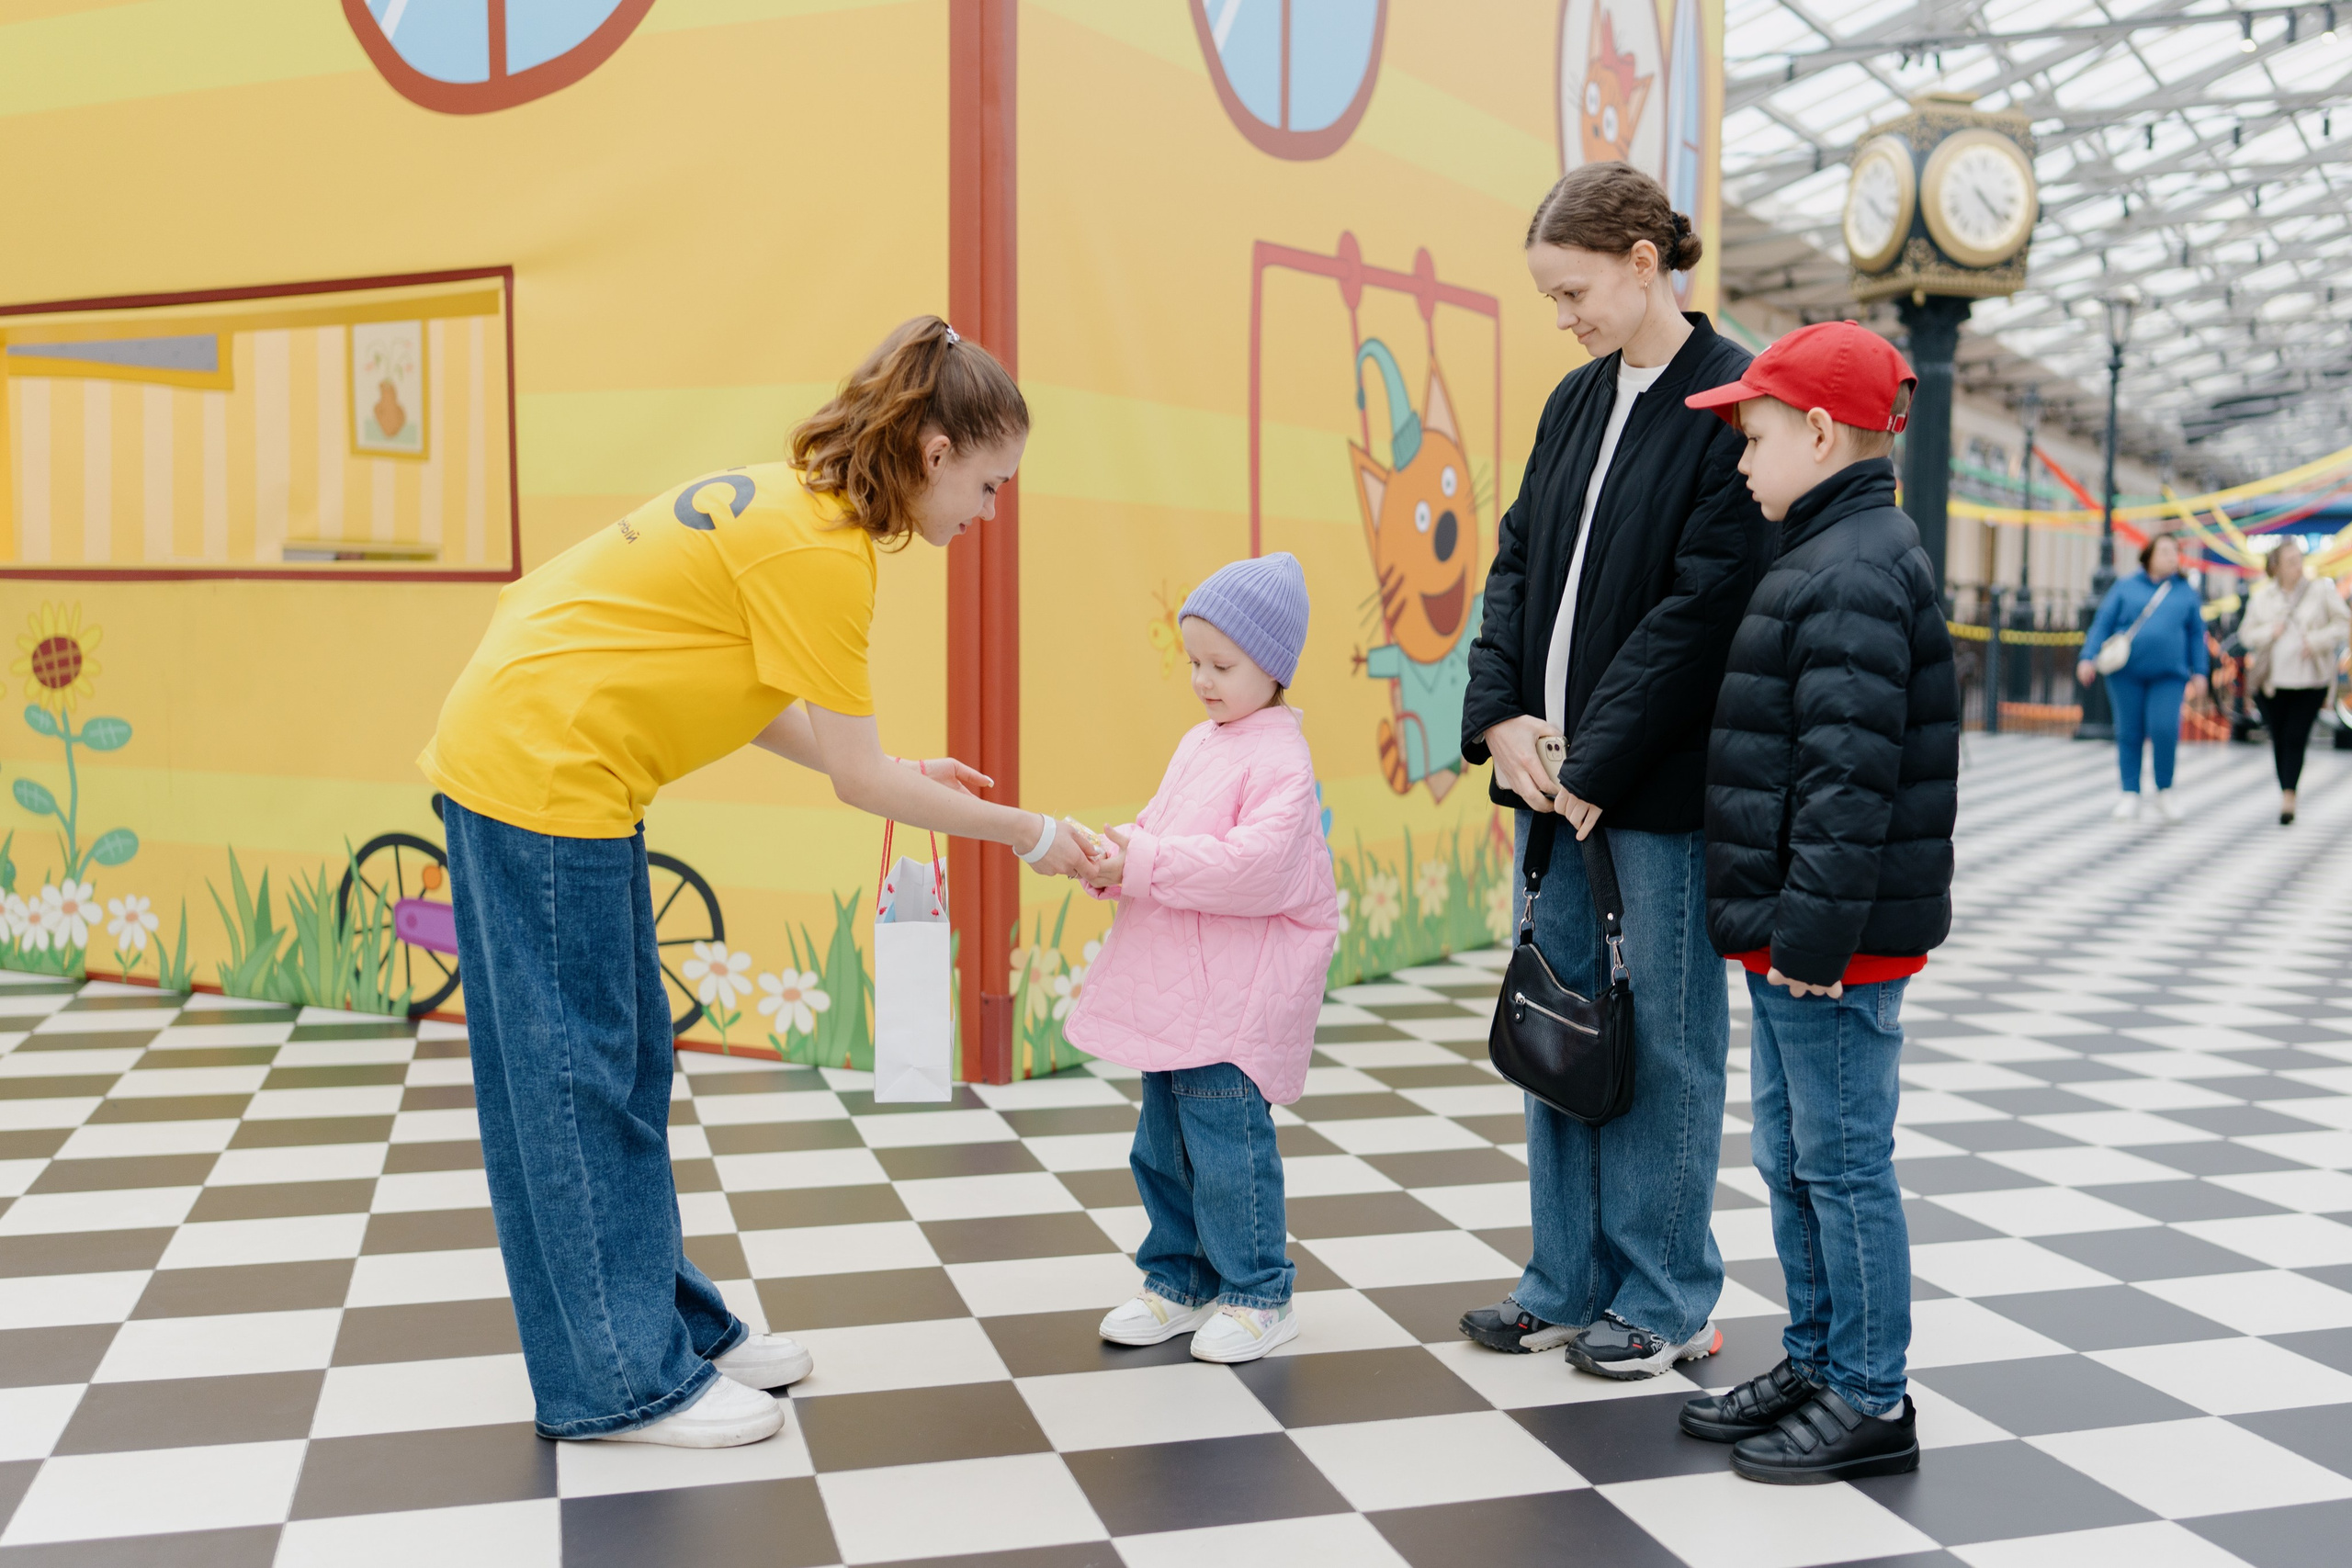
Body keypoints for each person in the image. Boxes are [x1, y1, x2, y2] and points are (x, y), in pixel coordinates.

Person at [419, 317, 1095, 1449]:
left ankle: (662, 1327)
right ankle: (618, 1384)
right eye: (988, 486)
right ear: (935, 453)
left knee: (622, 1066)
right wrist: (1033, 835)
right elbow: (863, 784)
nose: (988, 513)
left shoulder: (798, 508)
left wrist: (889, 765)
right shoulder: (821, 550)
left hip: (550, 760)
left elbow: (755, 691)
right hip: (541, 773)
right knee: (577, 1083)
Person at [1456, 162, 1773, 1378]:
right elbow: (1514, 565)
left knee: (1664, 1040)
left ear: (1645, 264)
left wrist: (1596, 754)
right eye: (1553, 297)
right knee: (1558, 1018)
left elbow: (1705, 605)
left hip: (1653, 790)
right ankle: (1566, 1278)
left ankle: (1667, 1295)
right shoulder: (1574, 399)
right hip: (1551, 784)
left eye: (1573, 291)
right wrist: (1499, 717)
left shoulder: (1730, 399)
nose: (1563, 316)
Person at [1680, 320, 1958, 1483]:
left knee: (1840, 1168)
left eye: (1752, 438)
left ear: (1818, 431)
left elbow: (1849, 779)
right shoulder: (1828, 550)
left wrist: (1810, 937)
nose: (1742, 461)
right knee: (1794, 1159)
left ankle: (1870, 1395)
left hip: (1829, 945)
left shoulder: (1850, 568)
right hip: (1799, 934)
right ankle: (1817, 1359)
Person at [1065, 553, 1340, 1364]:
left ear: (1274, 665)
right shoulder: (1201, 743)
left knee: (1227, 1148)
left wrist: (1143, 860)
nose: (1202, 680)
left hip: (1233, 997)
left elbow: (1257, 867)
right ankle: (1179, 1277)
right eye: (1194, 662)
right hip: (1179, 991)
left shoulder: (1280, 758)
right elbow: (1163, 830)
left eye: (1222, 665)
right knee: (1162, 1145)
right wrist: (1113, 856)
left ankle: (1259, 1292)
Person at [2076, 532, 2210, 823]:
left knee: (2164, 729)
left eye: (2175, 552)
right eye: (2165, 551)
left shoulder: (2185, 592)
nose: (2172, 557)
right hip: (2126, 674)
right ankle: (2130, 793)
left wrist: (2200, 671)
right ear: (2148, 556)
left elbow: (2196, 635)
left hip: (2169, 675)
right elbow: (2103, 623)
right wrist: (2087, 656)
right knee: (2129, 731)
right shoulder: (2125, 587)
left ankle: (2165, 791)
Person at [2239, 536, 2348, 825]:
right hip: (2272, 684)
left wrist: (2316, 640)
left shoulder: (2320, 591)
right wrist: (2269, 632)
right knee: (2279, 737)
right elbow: (2246, 634)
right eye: (2290, 561)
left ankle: (2289, 795)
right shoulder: (2263, 596)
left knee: (2295, 737)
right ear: (2276, 566)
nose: (2297, 566)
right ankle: (2286, 788)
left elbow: (2343, 622)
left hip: (2311, 680)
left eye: (2299, 560)